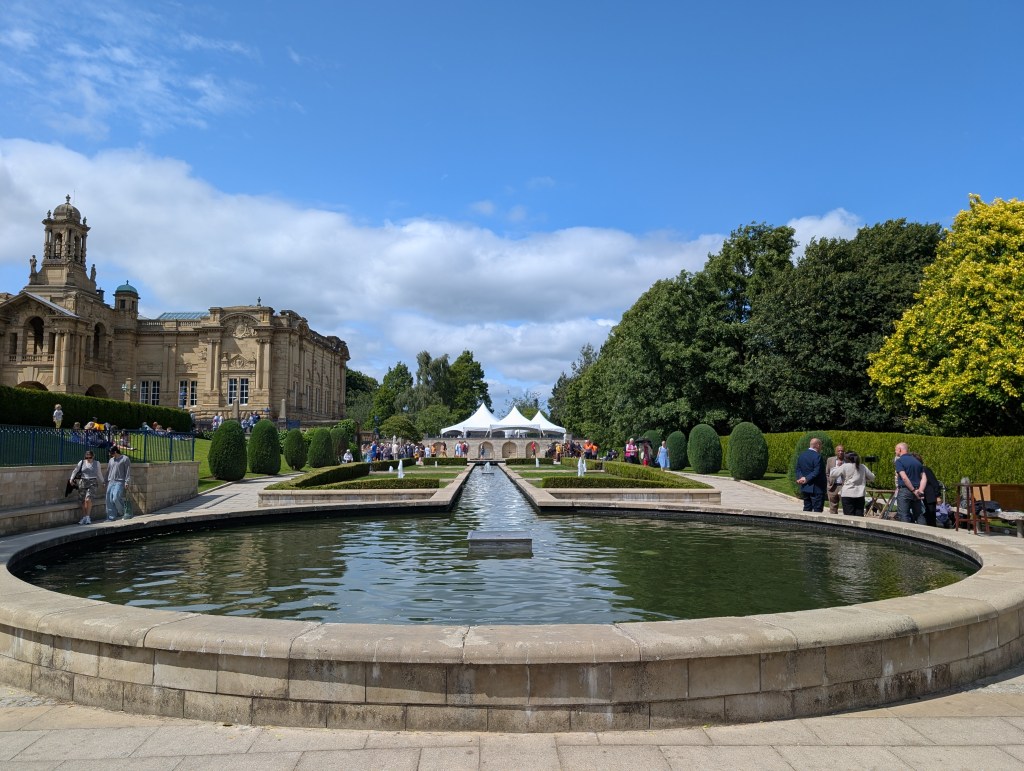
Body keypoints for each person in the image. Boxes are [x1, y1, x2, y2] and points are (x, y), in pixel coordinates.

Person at [828, 450, 875, 517]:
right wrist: (864, 478)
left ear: (846, 458)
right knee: (859, 516)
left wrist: (837, 466)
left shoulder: (845, 466)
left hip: (847, 493)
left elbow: (833, 474)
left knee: (848, 516)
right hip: (860, 494)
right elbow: (872, 477)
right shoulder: (862, 467)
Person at [894, 442, 925, 523]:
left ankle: (905, 535)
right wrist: (920, 491)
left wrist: (913, 490)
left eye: (896, 450)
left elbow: (904, 478)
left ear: (900, 450)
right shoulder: (917, 462)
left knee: (903, 515)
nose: (895, 452)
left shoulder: (899, 461)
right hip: (917, 490)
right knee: (919, 514)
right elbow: (924, 478)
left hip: (905, 490)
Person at [70, 450, 104, 525]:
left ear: (93, 456)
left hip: (92, 482)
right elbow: (75, 470)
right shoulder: (82, 462)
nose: (88, 458)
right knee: (82, 501)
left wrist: (103, 482)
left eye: (90, 457)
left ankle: (88, 517)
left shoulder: (97, 463)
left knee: (88, 499)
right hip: (83, 482)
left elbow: (99, 473)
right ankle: (84, 517)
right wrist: (71, 479)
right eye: (87, 457)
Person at [795, 438, 827, 512]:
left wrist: (801, 478)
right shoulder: (817, 456)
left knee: (807, 508)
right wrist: (806, 479)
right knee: (817, 510)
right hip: (817, 488)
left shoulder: (802, 455)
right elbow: (817, 471)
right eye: (821, 445)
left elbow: (798, 469)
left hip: (805, 487)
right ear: (818, 445)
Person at [105, 445, 132, 520]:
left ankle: (125, 512)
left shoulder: (125, 459)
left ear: (116, 452)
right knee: (109, 500)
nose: (111, 455)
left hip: (120, 481)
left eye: (112, 453)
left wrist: (127, 482)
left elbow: (128, 471)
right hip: (111, 481)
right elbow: (108, 471)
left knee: (116, 498)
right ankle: (111, 517)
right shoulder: (111, 460)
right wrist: (105, 481)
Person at [913, 452, 940, 527]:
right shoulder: (917, 470)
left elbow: (934, 482)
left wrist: (937, 496)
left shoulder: (925, 469)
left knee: (931, 516)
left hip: (929, 496)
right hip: (922, 495)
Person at [825, 444, 846, 515]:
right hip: (832, 487)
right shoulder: (830, 460)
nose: (840, 452)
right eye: (839, 451)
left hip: (844, 487)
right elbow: (827, 473)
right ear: (836, 452)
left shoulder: (848, 461)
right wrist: (829, 481)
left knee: (845, 506)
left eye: (842, 451)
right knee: (833, 507)